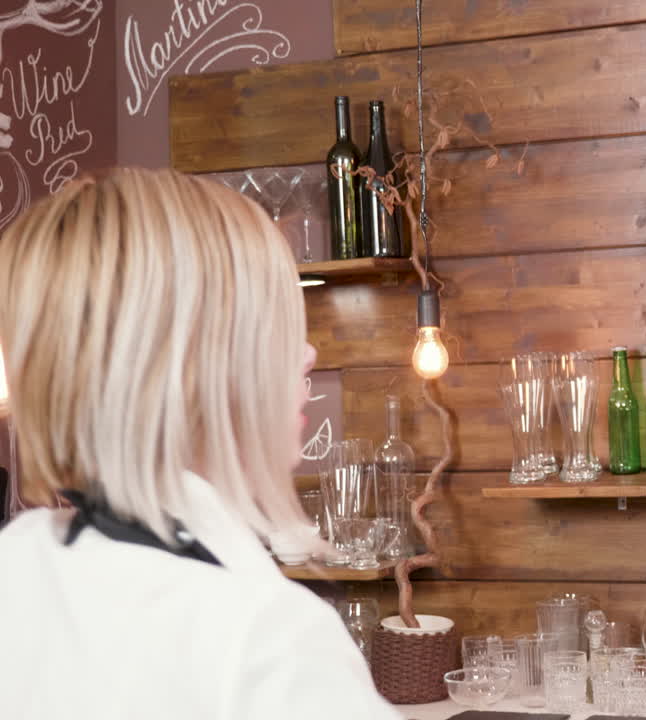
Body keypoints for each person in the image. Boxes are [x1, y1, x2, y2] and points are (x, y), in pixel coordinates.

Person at [0, 168, 402, 720]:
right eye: (277, 329)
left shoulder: (19, 559)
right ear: (193, 368)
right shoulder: (265, 643)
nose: (306, 354)